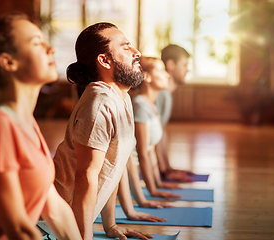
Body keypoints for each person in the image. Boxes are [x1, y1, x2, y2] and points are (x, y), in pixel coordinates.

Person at [0, 13, 82, 240]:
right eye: (36, 43)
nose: (50, 48)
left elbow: (56, 210)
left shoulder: (27, 122)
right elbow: (17, 227)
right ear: (8, 62)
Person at [53, 22, 155, 240]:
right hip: (46, 224)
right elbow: (86, 177)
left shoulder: (121, 96)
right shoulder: (99, 104)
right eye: (126, 48)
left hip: (65, 222)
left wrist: (110, 225)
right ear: (104, 60)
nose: (137, 53)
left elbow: (112, 167)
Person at [132, 57, 181, 199]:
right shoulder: (140, 106)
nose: (167, 75)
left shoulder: (151, 104)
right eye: (161, 70)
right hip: (126, 173)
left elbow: (150, 149)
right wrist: (152, 191)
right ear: (146, 77)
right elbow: (142, 154)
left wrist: (158, 183)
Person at [155, 44, 195, 182]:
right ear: (171, 64)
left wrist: (168, 168)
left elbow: (161, 131)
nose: (187, 69)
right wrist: (164, 172)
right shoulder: (160, 93)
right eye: (184, 65)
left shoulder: (166, 94)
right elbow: (152, 134)